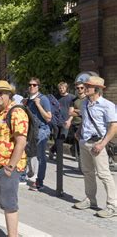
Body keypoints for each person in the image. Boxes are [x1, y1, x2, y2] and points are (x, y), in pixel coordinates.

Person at [0, 80, 28, 237]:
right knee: (4, 202)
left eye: (1, 93)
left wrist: (10, 167)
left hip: (6, 167)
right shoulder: (0, 112)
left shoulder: (16, 112)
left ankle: (12, 235)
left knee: (9, 205)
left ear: (10, 94)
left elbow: (21, 142)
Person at [73, 76, 117, 218]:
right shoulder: (85, 103)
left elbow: (114, 126)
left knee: (104, 174)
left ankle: (113, 205)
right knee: (88, 172)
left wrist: (102, 144)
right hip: (84, 142)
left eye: (88, 86)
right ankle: (90, 200)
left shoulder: (107, 105)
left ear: (96, 89)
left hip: (98, 143)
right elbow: (85, 120)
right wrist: (79, 132)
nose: (84, 88)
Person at [25, 77, 51, 191]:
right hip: (31, 130)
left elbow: (49, 118)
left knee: (40, 157)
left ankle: (39, 182)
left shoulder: (43, 99)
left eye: (34, 85)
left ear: (38, 87)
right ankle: (25, 175)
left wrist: (39, 105)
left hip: (42, 130)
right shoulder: (28, 100)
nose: (32, 87)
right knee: (26, 152)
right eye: (30, 85)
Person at [49, 82, 76, 160]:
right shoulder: (55, 97)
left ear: (66, 88)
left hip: (66, 121)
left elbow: (74, 109)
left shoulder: (72, 97)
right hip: (56, 121)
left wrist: (70, 120)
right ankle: (58, 156)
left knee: (62, 137)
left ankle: (52, 149)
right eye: (60, 88)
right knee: (56, 138)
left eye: (63, 88)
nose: (61, 89)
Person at [69, 81, 86, 160]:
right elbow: (70, 113)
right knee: (78, 146)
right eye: (78, 88)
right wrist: (81, 111)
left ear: (84, 88)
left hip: (86, 125)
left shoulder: (87, 99)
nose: (80, 89)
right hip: (76, 124)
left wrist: (77, 110)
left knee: (86, 145)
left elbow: (88, 112)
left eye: (81, 88)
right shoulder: (74, 100)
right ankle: (81, 165)